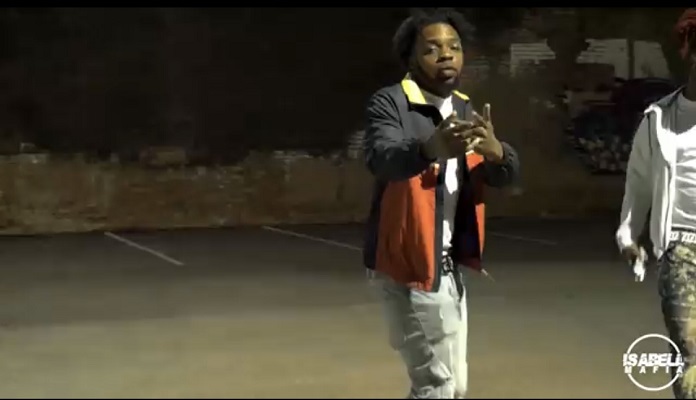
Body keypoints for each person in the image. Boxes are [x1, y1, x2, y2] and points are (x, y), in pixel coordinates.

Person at [362, 8, 520, 399]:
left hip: (448, 272)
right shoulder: (392, 103)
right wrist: (430, 147)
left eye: (454, 47)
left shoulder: (464, 107)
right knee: (438, 386)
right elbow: (382, 157)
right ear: (411, 58)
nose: (446, 54)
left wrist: (497, 153)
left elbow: (505, 175)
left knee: (452, 386)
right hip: (409, 266)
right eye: (432, 48)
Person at [616, 8, 696, 399]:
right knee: (690, 350)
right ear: (688, 48)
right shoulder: (659, 119)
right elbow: (639, 183)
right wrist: (628, 235)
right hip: (682, 249)